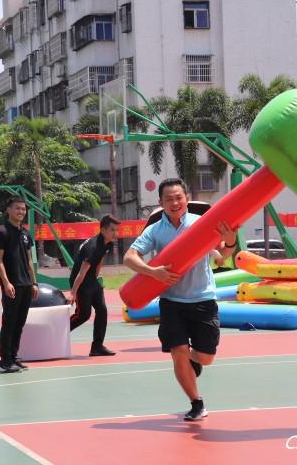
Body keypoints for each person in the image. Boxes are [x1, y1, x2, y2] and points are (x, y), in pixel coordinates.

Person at [123, 178, 238, 421]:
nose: (174, 203)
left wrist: (230, 240)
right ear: (161, 202)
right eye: (169, 199)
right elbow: (129, 257)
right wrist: (152, 272)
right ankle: (196, 402)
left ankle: (192, 361)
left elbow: (222, 257)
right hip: (171, 302)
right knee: (178, 351)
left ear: (186, 198)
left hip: (203, 298)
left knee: (205, 357)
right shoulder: (155, 230)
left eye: (178, 198)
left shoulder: (202, 224)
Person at [0, 196, 38, 373]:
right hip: (12, 285)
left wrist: (34, 282)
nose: (21, 211)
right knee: (9, 323)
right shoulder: (2, 232)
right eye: (17, 208)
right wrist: (6, 283)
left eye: (23, 209)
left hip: (26, 284)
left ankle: (14, 356)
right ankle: (4, 361)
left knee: (19, 323)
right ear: (9, 210)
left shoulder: (26, 234)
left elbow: (29, 260)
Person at [69, 214, 120, 357]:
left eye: (117, 230)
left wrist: (96, 280)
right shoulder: (92, 247)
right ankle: (59, 332)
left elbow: (99, 261)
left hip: (91, 280)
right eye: (112, 230)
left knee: (102, 311)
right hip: (81, 282)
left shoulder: (108, 243)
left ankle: (97, 347)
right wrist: (73, 293)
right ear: (103, 230)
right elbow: (81, 273)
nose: (115, 233)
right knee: (83, 315)